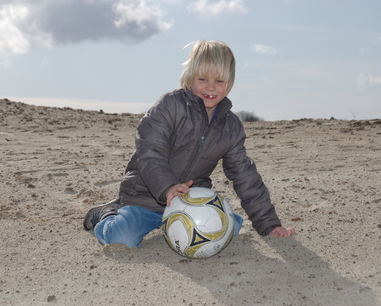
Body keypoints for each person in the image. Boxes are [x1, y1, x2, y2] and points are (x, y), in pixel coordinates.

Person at [83, 40, 295, 248]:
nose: (210, 87)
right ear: (190, 78)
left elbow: (245, 176)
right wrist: (166, 186)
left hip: (190, 201)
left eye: (219, 81)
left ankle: (173, 223)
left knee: (232, 228)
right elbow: (150, 150)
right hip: (146, 198)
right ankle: (108, 214)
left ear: (229, 83)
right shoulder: (170, 106)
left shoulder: (231, 128)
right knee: (123, 238)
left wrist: (269, 224)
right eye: (202, 79)